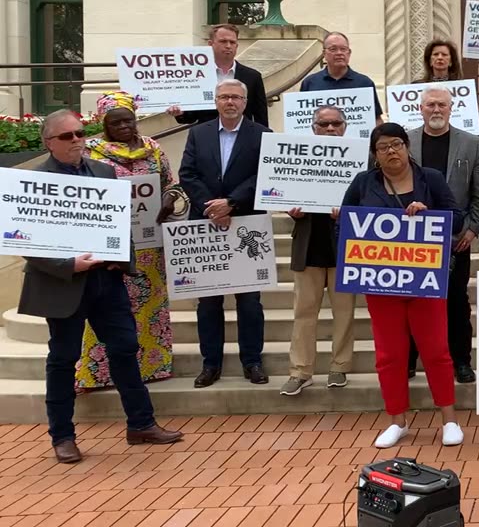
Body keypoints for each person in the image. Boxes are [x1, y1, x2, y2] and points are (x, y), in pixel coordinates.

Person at [19, 110, 183, 463]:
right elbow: (25, 243)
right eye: (67, 136)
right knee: (63, 360)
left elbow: (121, 225)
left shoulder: (104, 172)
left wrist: (120, 256)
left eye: (79, 133)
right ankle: (62, 436)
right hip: (63, 285)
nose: (77, 140)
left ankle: (141, 424)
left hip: (106, 281)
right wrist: (68, 265)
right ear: (49, 142)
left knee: (125, 348)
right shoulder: (33, 182)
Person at [342, 122, 466, 447]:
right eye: (383, 147)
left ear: (407, 148)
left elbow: (457, 216)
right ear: (374, 154)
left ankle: (449, 419)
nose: (391, 151)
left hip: (424, 280)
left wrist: (429, 214)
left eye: (397, 144)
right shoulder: (363, 182)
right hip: (381, 284)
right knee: (389, 355)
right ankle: (397, 420)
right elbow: (346, 221)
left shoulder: (431, 179)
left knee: (436, 350)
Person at [77, 92, 186, 390]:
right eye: (116, 122)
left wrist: (168, 200)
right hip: (111, 248)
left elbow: (172, 185)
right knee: (108, 311)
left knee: (151, 308)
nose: (124, 126)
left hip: (149, 247)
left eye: (128, 120)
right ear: (104, 123)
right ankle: (101, 372)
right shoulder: (90, 153)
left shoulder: (153, 148)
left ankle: (152, 366)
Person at [178, 79, 271, 388]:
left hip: (246, 224)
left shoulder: (262, 135)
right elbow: (187, 174)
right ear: (215, 101)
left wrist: (231, 203)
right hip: (206, 225)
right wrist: (212, 208)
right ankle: (210, 364)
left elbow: (265, 175)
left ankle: (252, 361)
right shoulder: (198, 133)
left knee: (249, 302)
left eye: (236, 97)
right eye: (224, 97)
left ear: (245, 102)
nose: (230, 101)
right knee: (208, 303)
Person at [406, 87, 479, 384]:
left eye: (442, 104)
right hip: (412, 239)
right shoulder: (405, 142)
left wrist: (472, 229)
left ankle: (462, 362)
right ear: (421, 108)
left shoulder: (470, 144)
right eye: (431, 104)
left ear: (452, 108)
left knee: (456, 301)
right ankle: (409, 361)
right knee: (413, 301)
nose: (436, 109)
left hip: (455, 239)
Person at [280, 106, 357, 397]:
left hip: (343, 249)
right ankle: (300, 372)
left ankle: (339, 367)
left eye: (336, 124)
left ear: (345, 127)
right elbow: (280, 189)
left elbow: (366, 201)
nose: (329, 129)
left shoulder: (359, 161)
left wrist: (347, 214)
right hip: (308, 245)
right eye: (323, 124)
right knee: (304, 313)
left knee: (345, 313)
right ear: (313, 128)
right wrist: (290, 208)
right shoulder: (297, 157)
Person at [167, 23, 269, 127]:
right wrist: (180, 113)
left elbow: (261, 117)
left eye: (232, 42)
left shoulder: (253, 77)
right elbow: (191, 116)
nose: (228, 46)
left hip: (243, 139)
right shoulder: (197, 75)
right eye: (223, 41)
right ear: (211, 44)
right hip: (207, 138)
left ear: (236, 46)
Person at [301, 32, 386, 124]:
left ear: (349, 53)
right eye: (333, 49)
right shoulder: (310, 82)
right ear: (324, 54)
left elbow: (376, 119)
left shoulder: (364, 83)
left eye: (343, 49)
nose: (339, 53)